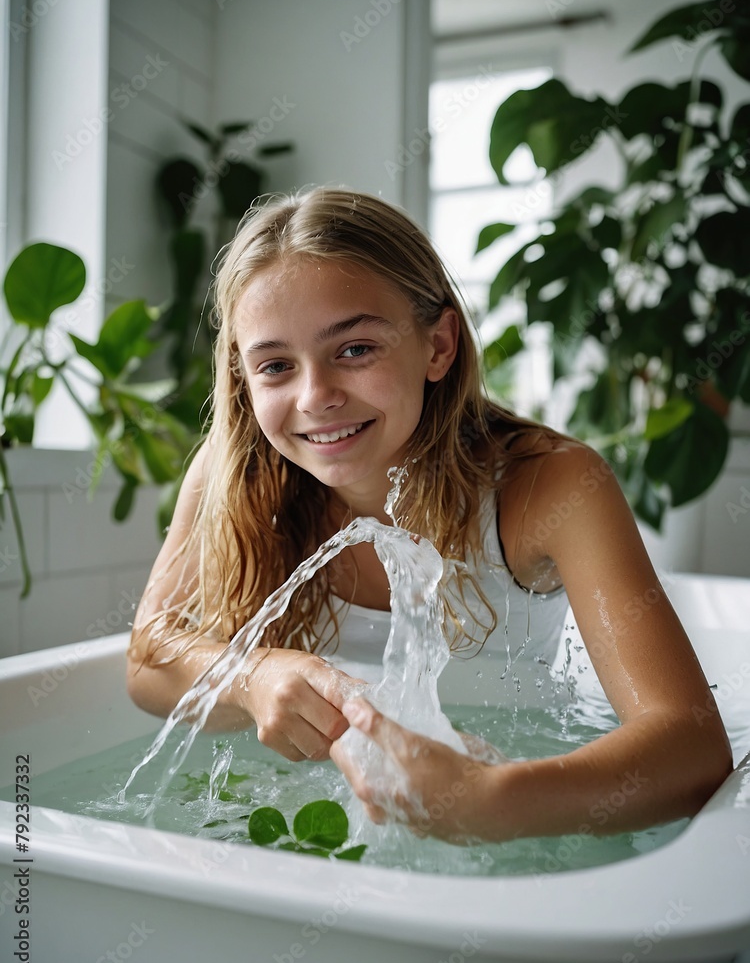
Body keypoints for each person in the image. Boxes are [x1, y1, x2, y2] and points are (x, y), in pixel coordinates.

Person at [127, 185, 732, 845]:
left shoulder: (551, 488)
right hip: (301, 830)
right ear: (244, 378)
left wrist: (493, 800)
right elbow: (149, 663)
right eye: (275, 365)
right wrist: (253, 677)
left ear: (439, 344)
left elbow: (692, 750)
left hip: (524, 825)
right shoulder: (232, 469)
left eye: (355, 349)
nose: (316, 396)